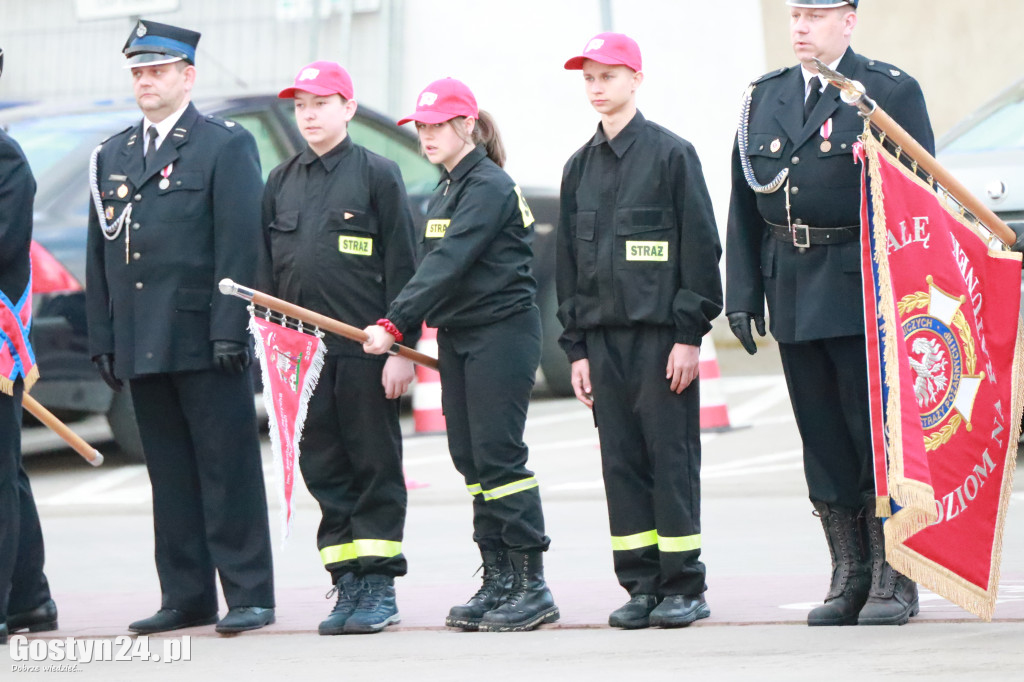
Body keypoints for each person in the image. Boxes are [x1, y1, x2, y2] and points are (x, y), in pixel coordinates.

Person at [725, 0, 934, 626]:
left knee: (872, 435)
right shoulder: (764, 97)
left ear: (848, 21)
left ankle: (893, 576)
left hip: (861, 286)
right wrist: (742, 294)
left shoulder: (888, 91)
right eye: (795, 15)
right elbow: (743, 204)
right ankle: (848, 573)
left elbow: (923, 197)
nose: (800, 28)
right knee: (820, 437)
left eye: (815, 15)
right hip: (790, 283)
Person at [85, 20, 275, 635]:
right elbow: (101, 256)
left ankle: (248, 592)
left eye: (157, 70)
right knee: (168, 474)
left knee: (228, 468)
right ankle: (185, 594)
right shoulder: (112, 153)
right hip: (142, 336)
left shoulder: (223, 144)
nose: (146, 81)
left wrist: (231, 327)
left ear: (187, 77)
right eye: (138, 72)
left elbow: (240, 245)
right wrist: (104, 338)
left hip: (203, 334)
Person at [362, 78, 558, 632]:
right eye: (420, 126)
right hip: (460, 336)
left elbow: (448, 262)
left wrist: (392, 323)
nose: (425, 135)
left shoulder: (488, 187)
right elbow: (438, 273)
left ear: (465, 125)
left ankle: (531, 583)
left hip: (502, 333)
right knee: (470, 458)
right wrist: (408, 330)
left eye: (435, 125)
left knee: (499, 455)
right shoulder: (445, 189)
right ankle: (498, 578)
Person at [557, 33, 723, 630]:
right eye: (589, 78)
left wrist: (688, 335)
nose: (597, 87)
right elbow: (568, 272)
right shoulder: (578, 168)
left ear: (635, 79)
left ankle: (684, 585)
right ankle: (641, 583)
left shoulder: (672, 156)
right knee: (620, 462)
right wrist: (576, 348)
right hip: (602, 343)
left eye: (608, 76)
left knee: (670, 458)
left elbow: (701, 251)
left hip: (660, 341)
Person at [260, 61, 418, 635]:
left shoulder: (379, 174)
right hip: (302, 357)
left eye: (321, 103)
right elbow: (265, 275)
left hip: (366, 352)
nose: (309, 114)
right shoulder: (279, 181)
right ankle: (347, 582)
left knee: (374, 466)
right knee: (324, 469)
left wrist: (403, 345)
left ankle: (378, 587)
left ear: (348, 109)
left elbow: (404, 266)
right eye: (301, 105)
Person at [0, 45, 59, 647]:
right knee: (7, 474)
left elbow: (3, 242)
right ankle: (30, 598)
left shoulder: (5, 157)